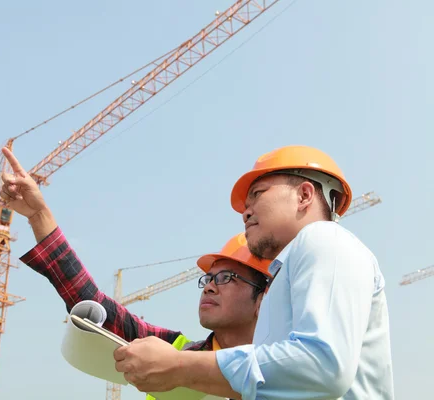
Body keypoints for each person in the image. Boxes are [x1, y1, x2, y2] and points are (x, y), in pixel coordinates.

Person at [112, 145, 394, 400]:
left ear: (304, 195)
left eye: (257, 195)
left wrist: (178, 366)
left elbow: (322, 366)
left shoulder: (324, 238)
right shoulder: (287, 278)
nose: (246, 213)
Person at [0, 146, 273, 399]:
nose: (209, 287)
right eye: (208, 278)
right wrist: (38, 215)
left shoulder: (292, 373)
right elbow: (91, 303)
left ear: (263, 299)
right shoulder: (171, 350)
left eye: (226, 278)